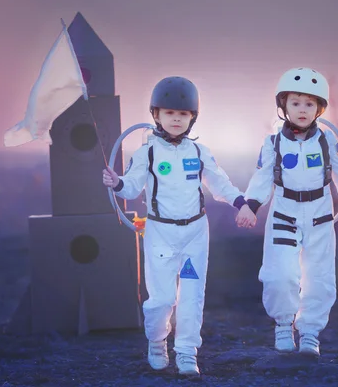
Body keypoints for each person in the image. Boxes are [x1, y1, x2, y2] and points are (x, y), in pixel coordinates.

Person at [103, 76, 251, 375]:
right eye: (169, 113)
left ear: (192, 118)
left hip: (195, 233)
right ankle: (157, 341)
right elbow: (130, 187)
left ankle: (186, 352)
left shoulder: (199, 152)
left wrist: (241, 202)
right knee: (162, 299)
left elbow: (219, 183)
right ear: (155, 115)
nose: (176, 119)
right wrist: (116, 182)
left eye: (183, 114)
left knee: (192, 296)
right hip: (160, 233)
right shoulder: (147, 152)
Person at [235, 67, 338, 356]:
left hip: (319, 216)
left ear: (320, 108)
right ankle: (283, 324)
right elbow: (262, 178)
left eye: (309, 104)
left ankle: (309, 332)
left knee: (319, 277)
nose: (302, 110)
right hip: (284, 213)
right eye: (295, 103)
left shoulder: (327, 142)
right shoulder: (273, 144)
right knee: (280, 274)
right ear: (283, 105)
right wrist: (251, 205)